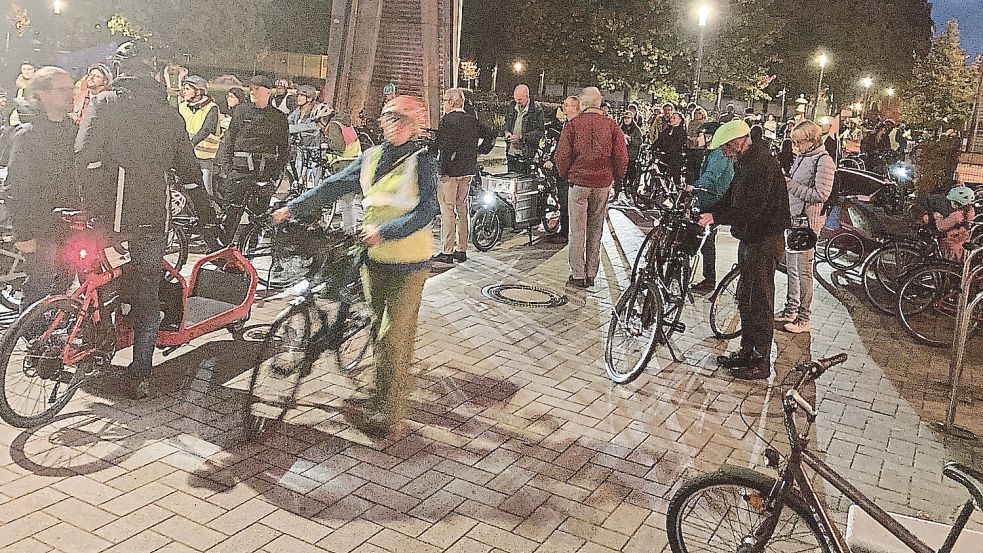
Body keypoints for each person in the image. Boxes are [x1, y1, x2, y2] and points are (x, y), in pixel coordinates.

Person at [272, 95, 438, 436]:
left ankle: (388, 413)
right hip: (374, 260)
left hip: (410, 262)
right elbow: (333, 186)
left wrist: (386, 231)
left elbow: (427, 210)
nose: (395, 126)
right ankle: (380, 392)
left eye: (402, 120)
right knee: (379, 331)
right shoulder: (371, 156)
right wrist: (292, 208)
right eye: (389, 118)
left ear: (414, 126)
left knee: (394, 337)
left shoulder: (421, 161)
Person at [76, 42, 210, 398]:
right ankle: (140, 374)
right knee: (147, 290)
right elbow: (190, 172)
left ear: (120, 70)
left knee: (96, 281)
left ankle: (92, 348)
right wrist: (210, 219)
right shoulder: (170, 115)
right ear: (152, 73)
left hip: (104, 216)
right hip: (151, 217)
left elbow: (81, 153)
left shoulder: (104, 103)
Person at [698, 120, 790, 381]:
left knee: (760, 299)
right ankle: (747, 350)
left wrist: (717, 216)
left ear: (739, 141)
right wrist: (712, 210)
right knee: (747, 297)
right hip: (751, 237)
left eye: (727, 147)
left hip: (764, 238)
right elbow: (732, 195)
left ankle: (761, 361)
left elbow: (751, 208)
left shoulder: (761, 164)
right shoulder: (745, 161)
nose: (724, 152)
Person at [6, 67, 80, 316]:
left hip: (70, 226)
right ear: (40, 95)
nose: (72, 94)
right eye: (63, 89)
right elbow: (15, 187)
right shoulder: (28, 135)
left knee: (63, 286)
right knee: (39, 288)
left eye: (72, 88)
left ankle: (52, 337)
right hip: (40, 227)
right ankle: (32, 340)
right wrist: (24, 235)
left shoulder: (75, 131)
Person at [555, 87, 628, 288]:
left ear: (582, 104)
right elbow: (621, 156)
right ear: (599, 102)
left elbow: (562, 155)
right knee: (596, 229)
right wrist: (616, 177)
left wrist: (566, 174)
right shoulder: (612, 126)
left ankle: (577, 274)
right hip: (603, 182)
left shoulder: (573, 125)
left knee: (577, 229)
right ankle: (591, 273)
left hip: (579, 182)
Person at [774, 120, 835, 334]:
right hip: (794, 218)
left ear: (811, 139)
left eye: (799, 142)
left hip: (807, 222)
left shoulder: (824, 161)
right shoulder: (803, 157)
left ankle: (804, 316)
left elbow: (821, 194)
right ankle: (790, 309)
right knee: (791, 268)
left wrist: (790, 184)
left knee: (804, 270)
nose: (796, 146)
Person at [217, 75, 290, 239]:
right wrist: (227, 167)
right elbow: (229, 140)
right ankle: (223, 251)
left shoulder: (279, 118)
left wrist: (275, 175)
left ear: (268, 92)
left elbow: (284, 149)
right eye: (252, 88)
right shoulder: (241, 111)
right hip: (239, 172)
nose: (253, 91)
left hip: (264, 174)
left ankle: (248, 252)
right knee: (230, 214)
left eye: (258, 88)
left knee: (258, 218)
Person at [434, 88, 479, 264]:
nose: (443, 103)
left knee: (448, 209)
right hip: (467, 170)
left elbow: (444, 148)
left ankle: (447, 251)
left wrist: (442, 170)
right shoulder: (471, 120)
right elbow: (489, 135)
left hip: (451, 172)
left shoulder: (448, 120)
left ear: (452, 102)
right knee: (462, 208)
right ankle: (462, 249)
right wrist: (478, 152)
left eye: (445, 100)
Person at [689, 122, 735, 293]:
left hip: (713, 200)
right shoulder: (713, 153)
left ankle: (709, 280)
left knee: (706, 240)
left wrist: (694, 187)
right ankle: (707, 278)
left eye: (704, 135)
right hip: (710, 198)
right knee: (705, 239)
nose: (701, 138)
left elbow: (711, 176)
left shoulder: (719, 154)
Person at [317, 105, 363, 233]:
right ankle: (349, 228)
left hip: (345, 165)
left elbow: (339, 147)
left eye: (318, 122)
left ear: (324, 119)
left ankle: (349, 232)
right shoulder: (344, 123)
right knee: (350, 202)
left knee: (345, 204)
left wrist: (326, 145)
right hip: (354, 163)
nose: (319, 127)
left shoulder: (333, 126)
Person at [543, 96, 581, 244]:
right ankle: (565, 231)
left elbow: (569, 150)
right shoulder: (568, 123)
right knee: (564, 200)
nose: (564, 107)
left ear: (575, 108)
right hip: (564, 169)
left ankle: (567, 234)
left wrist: (555, 163)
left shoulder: (575, 125)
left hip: (569, 171)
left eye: (567, 105)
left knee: (566, 202)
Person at [178, 76, 222, 199]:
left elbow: (206, 130)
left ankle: (210, 213)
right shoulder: (182, 107)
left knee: (206, 190)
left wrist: (191, 144)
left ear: (198, 91)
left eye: (187, 88)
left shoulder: (211, 108)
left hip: (204, 158)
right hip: (185, 156)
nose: (184, 91)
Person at [504, 84, 545, 174]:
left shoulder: (536, 109)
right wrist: (507, 133)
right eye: (516, 99)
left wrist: (522, 137)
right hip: (511, 153)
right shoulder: (512, 107)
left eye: (520, 99)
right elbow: (506, 123)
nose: (517, 102)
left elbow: (539, 132)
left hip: (527, 155)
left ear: (527, 96)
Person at [933, 186, 976, 262]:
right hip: (963, 243)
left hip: (952, 245)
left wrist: (938, 217)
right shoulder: (970, 212)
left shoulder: (957, 215)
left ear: (957, 203)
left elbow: (941, 227)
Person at [615, 110, 642, 202]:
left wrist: (630, 139)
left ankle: (630, 187)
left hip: (631, 154)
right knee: (619, 172)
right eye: (625, 118)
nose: (626, 120)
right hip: (621, 154)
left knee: (631, 170)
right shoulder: (620, 128)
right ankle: (618, 189)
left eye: (628, 118)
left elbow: (639, 142)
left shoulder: (636, 130)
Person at [655, 112, 686, 187]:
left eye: (674, 118)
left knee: (675, 174)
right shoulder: (668, 129)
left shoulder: (682, 131)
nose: (671, 119)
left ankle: (679, 191)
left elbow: (678, 143)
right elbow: (660, 139)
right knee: (660, 171)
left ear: (680, 120)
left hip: (675, 155)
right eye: (671, 118)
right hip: (665, 154)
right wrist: (652, 147)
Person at [685, 107, 709, 184]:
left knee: (697, 167)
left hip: (700, 148)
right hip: (690, 147)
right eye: (695, 113)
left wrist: (695, 138)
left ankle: (696, 183)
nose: (697, 115)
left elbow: (704, 136)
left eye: (699, 113)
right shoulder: (691, 122)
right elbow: (688, 132)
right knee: (689, 166)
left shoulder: (704, 123)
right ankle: (688, 183)